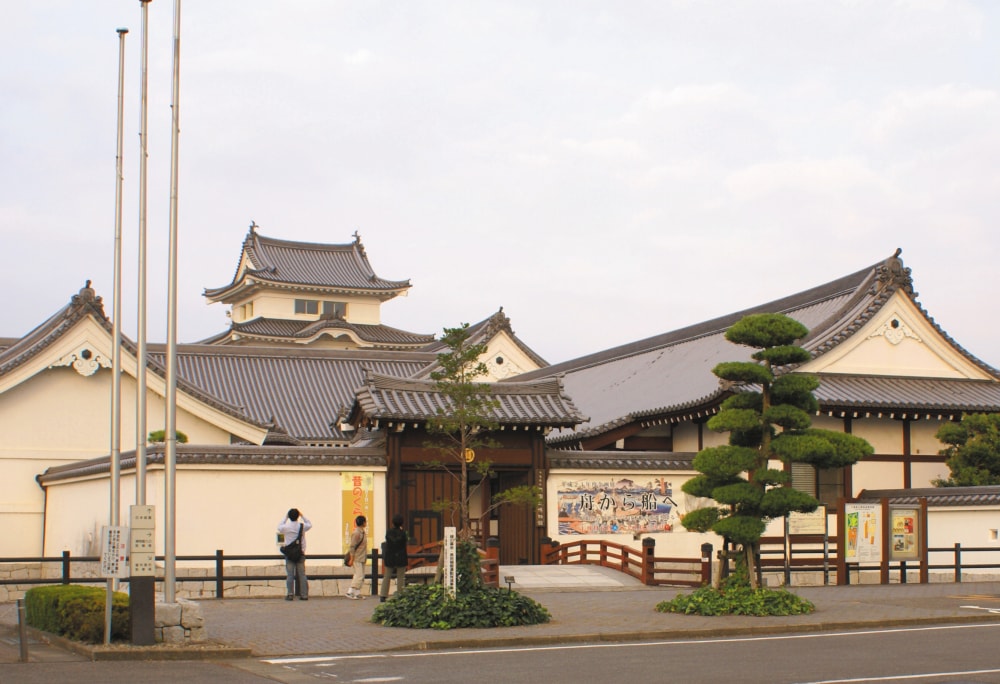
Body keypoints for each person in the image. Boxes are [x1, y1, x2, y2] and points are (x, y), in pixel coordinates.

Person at [277, 508, 311, 601]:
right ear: (297, 516)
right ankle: (304, 595)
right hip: (300, 553)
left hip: (289, 554)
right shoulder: (302, 526)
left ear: (289, 516)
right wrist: (302, 515)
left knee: (290, 574)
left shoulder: (286, 527)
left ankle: (290, 594)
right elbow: (310, 524)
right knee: (302, 574)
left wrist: (285, 517)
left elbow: (279, 526)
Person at [379, 513, 409, 602]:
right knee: (401, 577)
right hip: (401, 556)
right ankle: (400, 595)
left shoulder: (389, 532)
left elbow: (389, 541)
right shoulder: (403, 533)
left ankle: (383, 595)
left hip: (390, 557)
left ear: (393, 523)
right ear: (402, 523)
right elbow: (404, 542)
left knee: (387, 576)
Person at [346, 514, 367, 599]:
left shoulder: (362, 532)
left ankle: (357, 593)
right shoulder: (356, 533)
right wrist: (351, 558)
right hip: (357, 557)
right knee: (359, 575)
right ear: (363, 523)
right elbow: (352, 547)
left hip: (362, 557)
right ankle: (350, 591)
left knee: (360, 575)